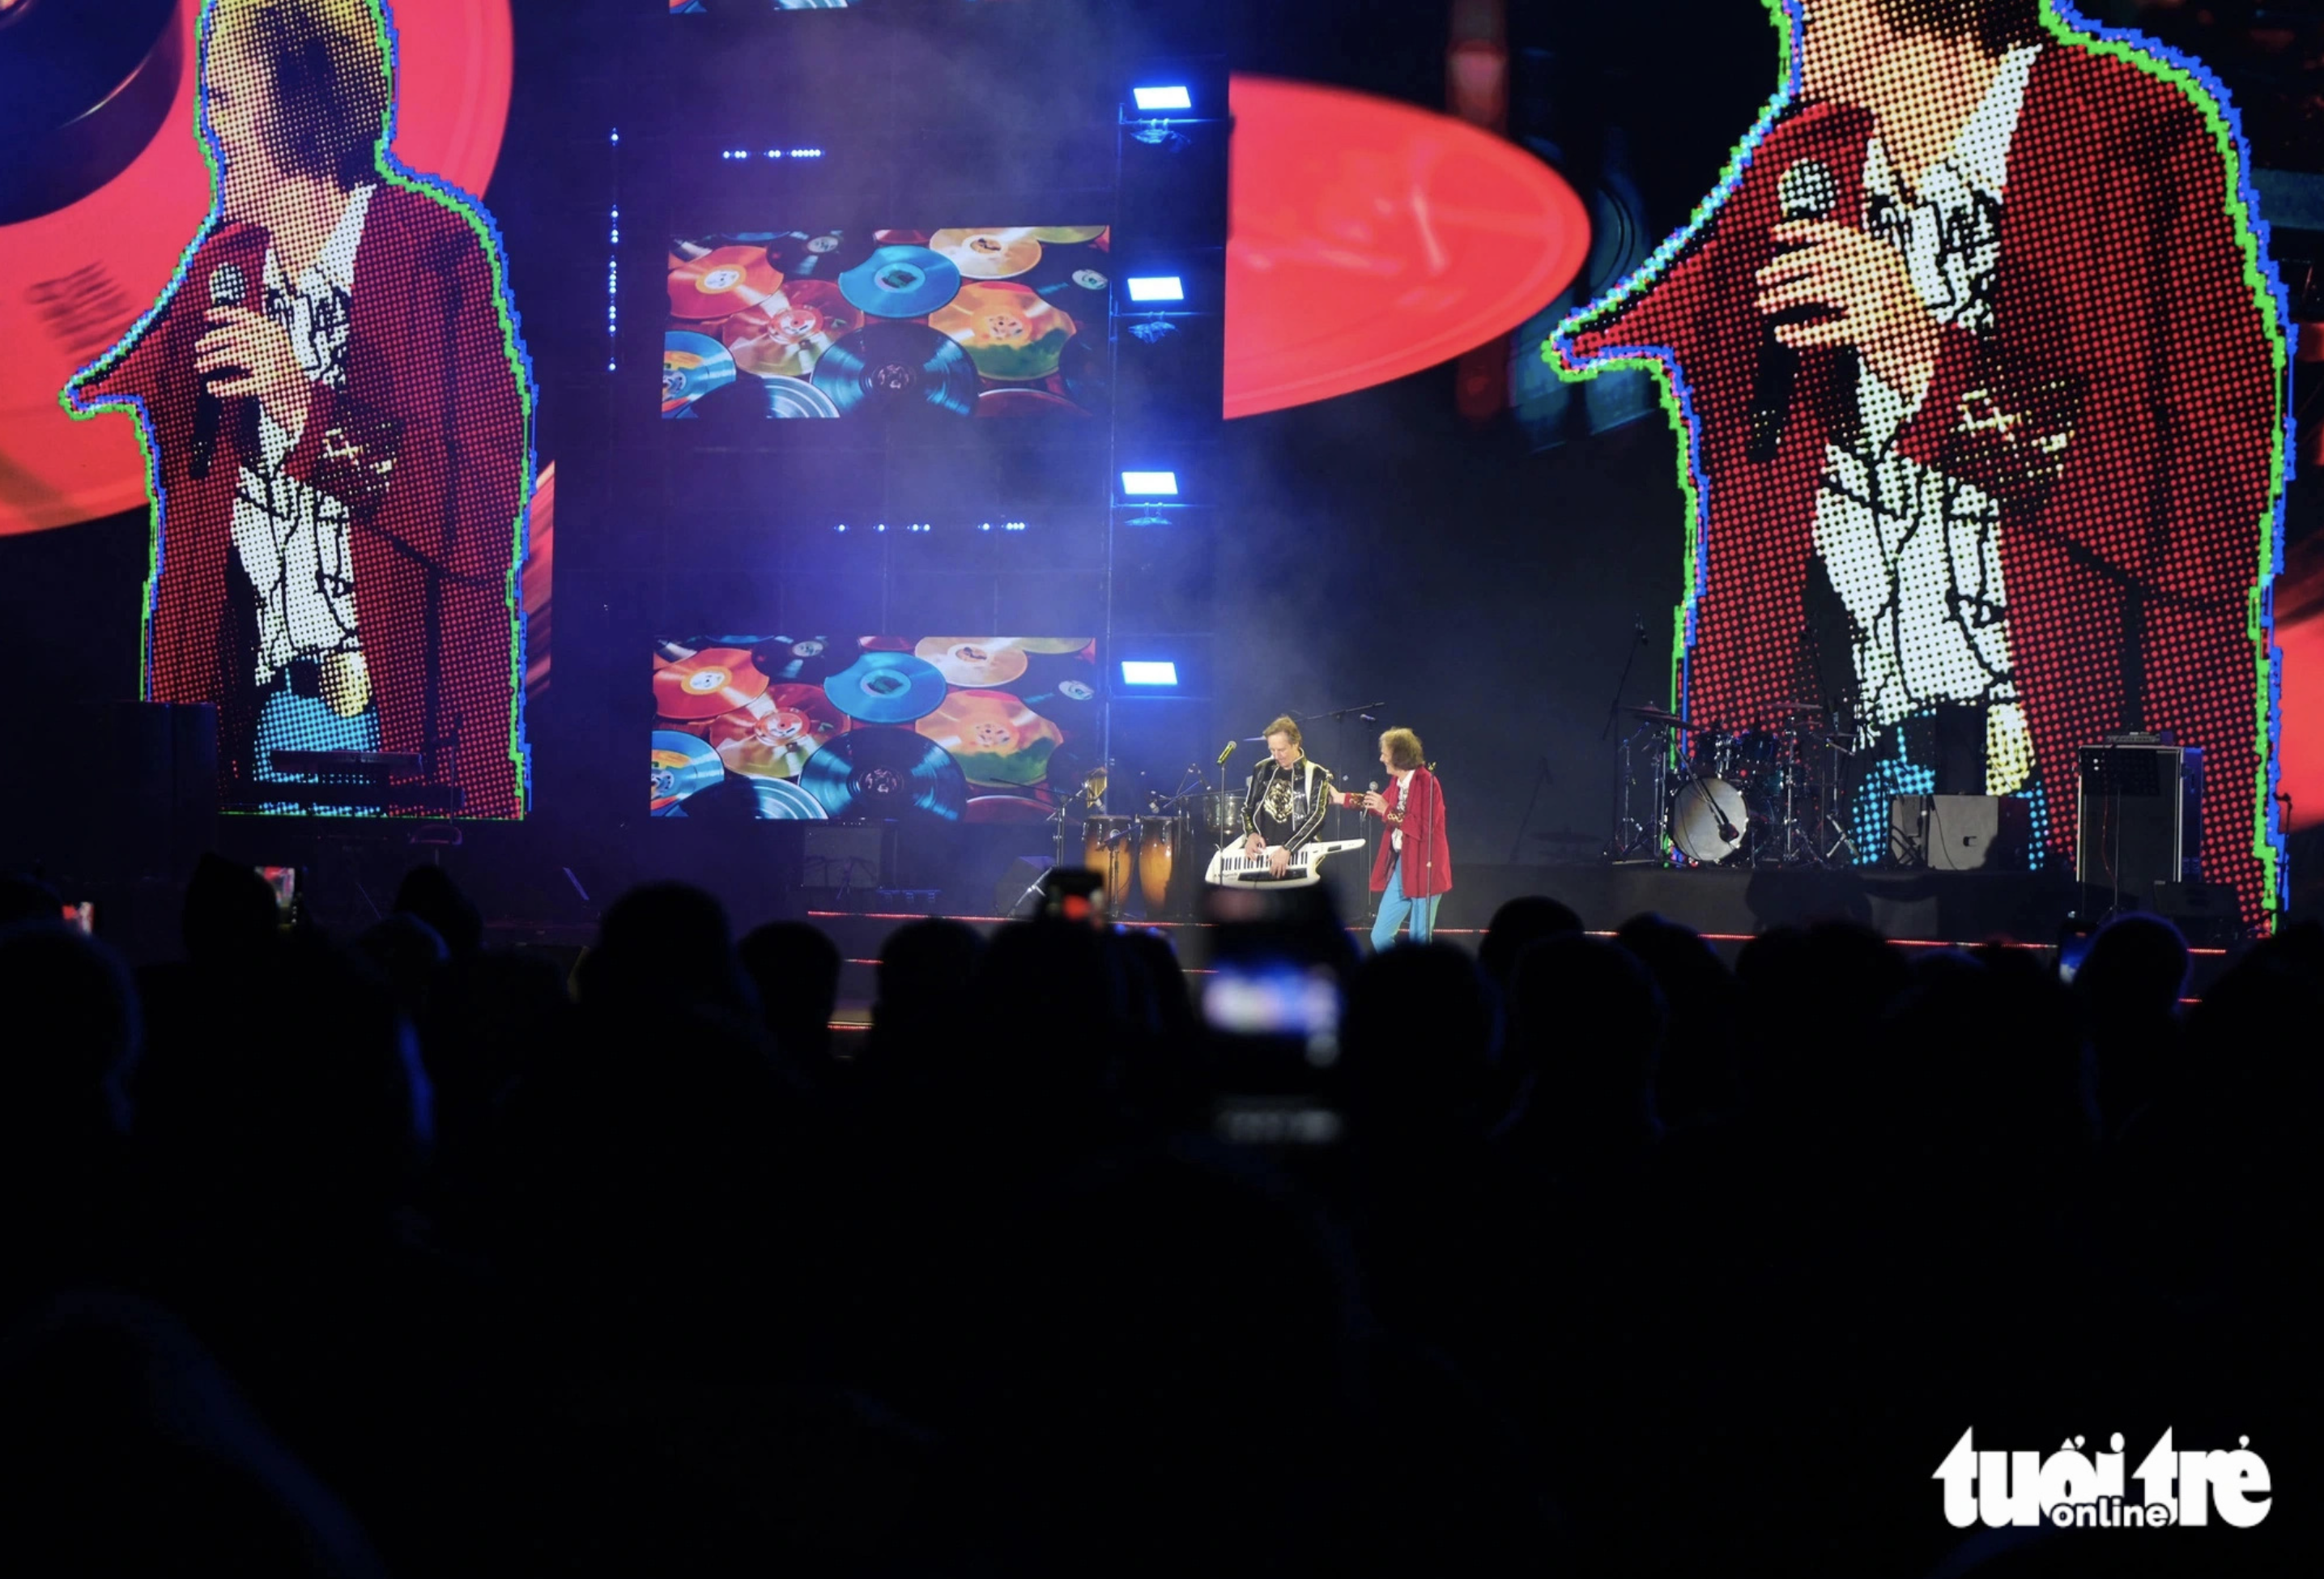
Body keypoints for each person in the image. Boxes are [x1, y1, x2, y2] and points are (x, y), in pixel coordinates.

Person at [1551, 0, 2285, 925]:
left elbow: (2213, 509)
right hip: (1830, 839)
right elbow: (1664, 361)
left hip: (2088, 842)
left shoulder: (2133, 139)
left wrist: (1924, 356)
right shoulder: (1797, 162)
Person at [64, 0, 532, 819]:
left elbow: (485, 517)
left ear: (299, 108)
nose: (208, 131)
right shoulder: (221, 268)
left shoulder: (433, 254)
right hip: (252, 741)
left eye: (225, 101)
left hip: (394, 740)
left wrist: (296, 399)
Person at [1348, 728, 1452, 949]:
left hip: (1426, 870)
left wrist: (1387, 810)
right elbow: (1377, 804)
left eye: (1385, 753)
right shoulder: (1397, 782)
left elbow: (1422, 829)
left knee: (1419, 941)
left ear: (1399, 757)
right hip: (1403, 868)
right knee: (1380, 936)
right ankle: (1401, 976)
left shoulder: (1428, 783)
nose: (1381, 758)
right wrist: (1341, 798)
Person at [1240, 715, 1334, 879]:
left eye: (1281, 750)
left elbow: (1317, 817)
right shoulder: (1262, 769)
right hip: (1262, 858)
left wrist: (1288, 848)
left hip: (1298, 857)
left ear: (1295, 743)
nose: (1276, 755)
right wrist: (1251, 834)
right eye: (1272, 750)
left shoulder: (1316, 773)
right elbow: (1247, 809)